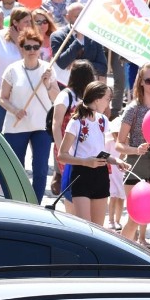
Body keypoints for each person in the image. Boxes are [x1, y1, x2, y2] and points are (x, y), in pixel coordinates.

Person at [0, 27, 60, 203]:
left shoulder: (48, 69)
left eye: (35, 47)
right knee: (16, 168)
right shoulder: (12, 70)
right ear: (21, 48)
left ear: (40, 48)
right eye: (28, 47)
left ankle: (36, 204)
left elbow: (56, 97)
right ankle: (16, 203)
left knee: (40, 169)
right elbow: (2, 98)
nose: (32, 51)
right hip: (17, 125)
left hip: (41, 125)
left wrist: (48, 83)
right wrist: (15, 110)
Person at [115, 64, 150, 251]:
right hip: (136, 162)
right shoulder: (133, 109)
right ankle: (121, 258)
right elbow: (119, 144)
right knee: (135, 218)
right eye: (149, 80)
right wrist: (135, 150)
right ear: (140, 82)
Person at [57, 81, 130, 224]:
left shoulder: (103, 120)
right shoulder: (76, 122)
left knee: (98, 229)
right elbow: (62, 155)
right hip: (81, 175)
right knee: (84, 227)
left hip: (100, 175)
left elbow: (99, 151)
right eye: (107, 99)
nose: (108, 104)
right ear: (97, 99)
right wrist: (85, 162)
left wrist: (115, 161)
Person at [0, 8, 33, 132]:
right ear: (15, 22)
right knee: (1, 131)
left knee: (21, 131)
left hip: (23, 93)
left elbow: (30, 62)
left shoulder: (32, 38)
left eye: (30, 21)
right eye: (26, 22)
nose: (29, 25)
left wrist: (19, 43)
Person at [50, 59, 97, 199]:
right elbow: (56, 124)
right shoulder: (66, 96)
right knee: (74, 189)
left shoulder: (90, 97)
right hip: (69, 150)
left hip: (85, 149)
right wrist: (61, 150)